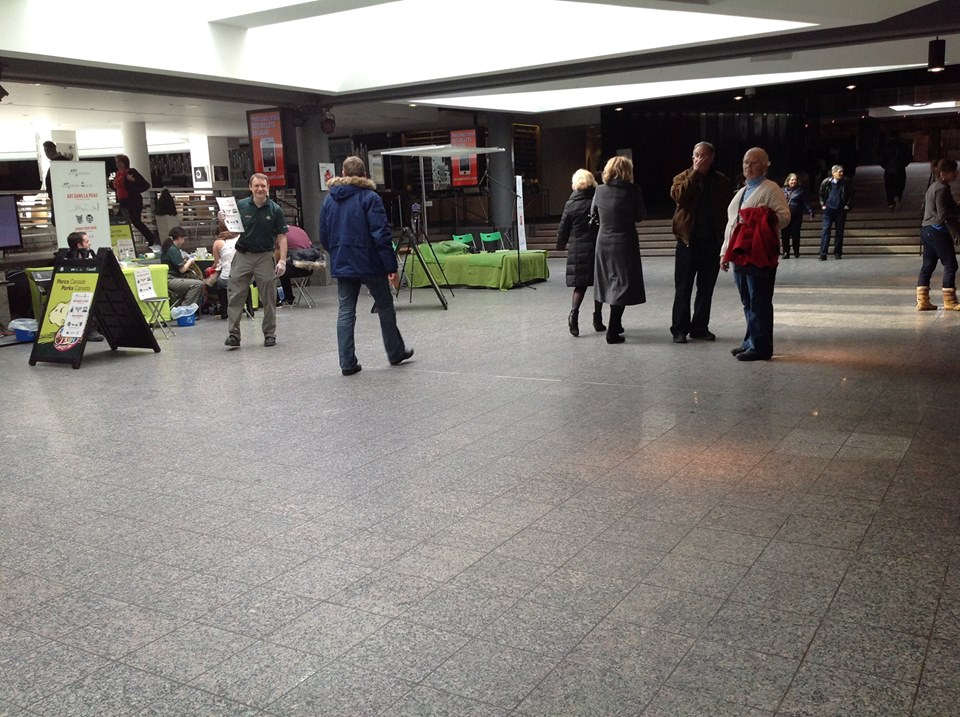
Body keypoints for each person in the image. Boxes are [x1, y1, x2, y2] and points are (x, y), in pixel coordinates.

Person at [319, 156, 413, 375]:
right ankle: (395, 351)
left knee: (345, 311)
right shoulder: (370, 198)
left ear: (342, 172)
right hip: (370, 262)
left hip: (343, 261)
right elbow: (380, 234)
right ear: (364, 175)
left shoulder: (329, 200)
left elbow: (323, 235)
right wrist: (391, 266)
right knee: (385, 305)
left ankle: (347, 362)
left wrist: (337, 252)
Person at [720, 147, 791, 362]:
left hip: (758, 253)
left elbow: (785, 216)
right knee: (747, 300)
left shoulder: (771, 189)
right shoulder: (742, 191)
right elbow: (732, 224)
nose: (747, 166)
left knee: (759, 300)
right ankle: (750, 341)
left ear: (764, 165)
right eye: (745, 162)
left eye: (753, 163)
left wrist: (762, 218)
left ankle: (761, 346)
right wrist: (725, 253)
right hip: (740, 252)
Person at [669, 141, 733, 343]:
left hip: (712, 242)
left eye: (704, 156)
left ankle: (699, 327)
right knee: (683, 288)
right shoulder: (681, 178)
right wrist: (695, 174)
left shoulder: (721, 181)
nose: (700, 159)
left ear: (712, 158)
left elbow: (728, 210)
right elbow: (679, 197)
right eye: (696, 155)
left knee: (706, 289)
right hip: (688, 242)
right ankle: (679, 329)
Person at [225, 173, 288, 348]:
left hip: (265, 256)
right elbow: (232, 232)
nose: (260, 189)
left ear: (268, 188)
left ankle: (269, 334)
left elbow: (282, 237)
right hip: (243, 254)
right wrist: (224, 220)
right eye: (256, 186)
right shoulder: (241, 206)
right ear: (250, 187)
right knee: (236, 294)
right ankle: (233, 335)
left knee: (268, 296)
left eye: (263, 186)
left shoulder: (275, 210)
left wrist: (282, 260)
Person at [592, 155, 646, 344]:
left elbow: (593, 214)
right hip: (625, 243)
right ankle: (613, 330)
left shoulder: (599, 190)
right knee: (623, 284)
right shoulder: (634, 190)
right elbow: (640, 216)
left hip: (604, 242)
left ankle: (615, 323)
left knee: (607, 282)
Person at [556, 168, 602, 336]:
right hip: (596, 246)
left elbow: (563, 228)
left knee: (580, 286)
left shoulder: (570, 203)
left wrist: (560, 245)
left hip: (577, 248)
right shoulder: (596, 200)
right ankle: (598, 320)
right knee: (599, 285)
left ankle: (573, 314)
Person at [916, 158, 960, 312]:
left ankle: (923, 301)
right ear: (943, 173)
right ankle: (950, 301)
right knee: (951, 264)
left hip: (927, 229)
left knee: (928, 265)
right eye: (953, 171)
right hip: (937, 230)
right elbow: (943, 214)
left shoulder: (934, 186)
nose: (956, 174)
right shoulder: (941, 188)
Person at [64, 231, 104, 342]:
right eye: (87, 242)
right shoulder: (68, 258)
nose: (89, 244)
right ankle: (90, 329)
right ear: (79, 245)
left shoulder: (90, 254)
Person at [113, 154, 155, 250]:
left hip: (133, 201)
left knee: (135, 221)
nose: (117, 164)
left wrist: (133, 181)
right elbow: (119, 188)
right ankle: (121, 241)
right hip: (123, 201)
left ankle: (150, 238)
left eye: (119, 162)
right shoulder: (118, 174)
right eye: (116, 162)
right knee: (120, 219)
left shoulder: (131, 172)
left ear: (125, 163)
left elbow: (145, 185)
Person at [161, 227, 204, 309]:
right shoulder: (173, 249)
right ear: (180, 238)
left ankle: (183, 307)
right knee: (197, 284)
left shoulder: (169, 247)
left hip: (168, 278)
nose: (184, 241)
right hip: (171, 280)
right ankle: (185, 309)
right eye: (183, 238)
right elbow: (182, 269)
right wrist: (190, 260)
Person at [817, 165, 852, 261]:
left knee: (839, 232)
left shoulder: (846, 182)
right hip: (828, 210)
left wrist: (848, 205)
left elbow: (851, 194)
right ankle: (823, 253)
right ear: (833, 173)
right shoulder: (826, 182)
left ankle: (837, 252)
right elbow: (821, 194)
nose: (841, 173)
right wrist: (822, 204)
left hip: (840, 210)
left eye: (842, 171)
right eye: (839, 172)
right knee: (825, 231)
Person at [277, 224, 316, 307]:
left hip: (297, 269)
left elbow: (276, 255)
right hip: (310, 268)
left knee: (280, 270)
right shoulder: (300, 230)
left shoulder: (281, 234)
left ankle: (288, 298)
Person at [780, 173, 814, 259]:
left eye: (795, 180)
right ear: (788, 181)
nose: (793, 181)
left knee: (795, 234)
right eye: (792, 180)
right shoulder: (781, 190)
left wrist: (810, 211)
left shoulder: (801, 190)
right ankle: (786, 252)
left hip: (796, 216)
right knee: (785, 235)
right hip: (785, 215)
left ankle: (796, 251)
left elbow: (805, 203)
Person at [881, 132, 911, 210]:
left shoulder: (886, 146)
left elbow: (881, 158)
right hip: (900, 168)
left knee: (889, 186)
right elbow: (908, 156)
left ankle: (890, 202)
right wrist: (904, 164)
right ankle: (897, 196)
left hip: (889, 169)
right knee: (900, 184)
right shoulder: (903, 146)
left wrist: (885, 165)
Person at [42, 141, 69, 226]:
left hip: (58, 200)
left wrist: (51, 196)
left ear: (50, 150)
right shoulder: (67, 162)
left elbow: (49, 184)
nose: (46, 154)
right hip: (69, 199)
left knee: (59, 223)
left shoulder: (55, 164)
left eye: (46, 151)